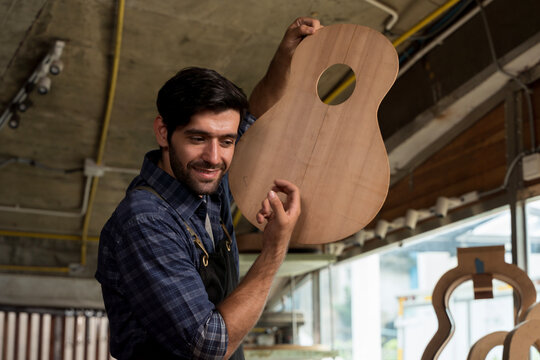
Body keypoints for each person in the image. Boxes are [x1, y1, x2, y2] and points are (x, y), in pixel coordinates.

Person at [95, 17, 322, 360]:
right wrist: (274, 248)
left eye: (226, 141)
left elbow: (257, 114)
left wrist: (285, 56)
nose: (213, 157)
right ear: (163, 132)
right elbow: (208, 345)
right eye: (197, 138)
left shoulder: (207, 185)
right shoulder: (145, 222)